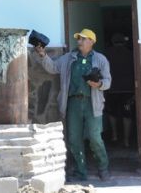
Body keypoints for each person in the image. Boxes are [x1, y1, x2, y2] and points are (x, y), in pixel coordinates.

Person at [31, 28, 112, 182]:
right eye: (78, 39)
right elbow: (53, 68)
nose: (79, 41)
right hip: (73, 103)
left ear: (91, 41)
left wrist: (99, 84)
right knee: (74, 139)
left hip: (92, 103)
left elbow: (108, 81)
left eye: (82, 38)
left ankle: (103, 168)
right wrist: (43, 55)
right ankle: (81, 172)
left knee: (95, 137)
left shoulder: (101, 59)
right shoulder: (69, 57)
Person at [103, 32, 135, 148]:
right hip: (128, 90)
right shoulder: (131, 54)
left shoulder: (106, 54)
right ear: (124, 42)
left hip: (112, 89)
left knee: (112, 113)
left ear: (112, 42)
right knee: (127, 114)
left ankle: (114, 135)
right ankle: (126, 140)